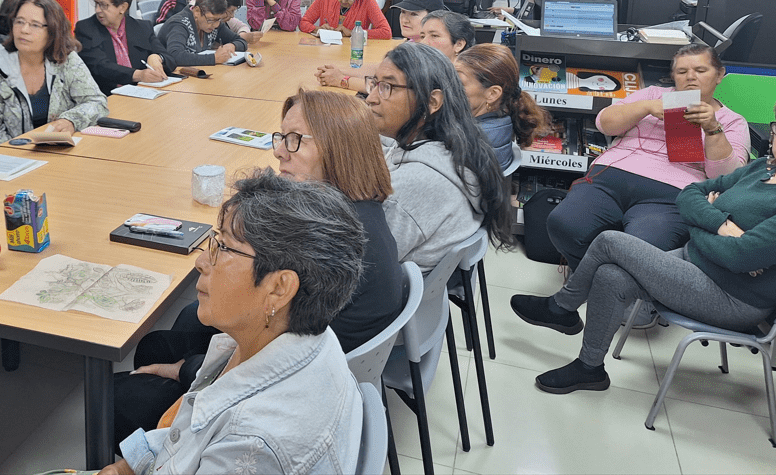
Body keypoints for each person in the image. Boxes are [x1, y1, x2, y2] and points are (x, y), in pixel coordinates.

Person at [114, 91, 402, 443]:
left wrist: (186, 369)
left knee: (126, 392)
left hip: (287, 381)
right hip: (305, 358)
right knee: (172, 331)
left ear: (338, 148)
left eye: (295, 140)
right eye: (281, 137)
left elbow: (272, 352)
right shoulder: (356, 211)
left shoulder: (334, 241)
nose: (280, 150)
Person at [509, 95, 776, 395]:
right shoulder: (760, 169)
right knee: (610, 276)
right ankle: (590, 369)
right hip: (693, 262)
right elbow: (691, 194)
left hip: (733, 296)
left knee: (610, 241)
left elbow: (739, 256)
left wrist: (700, 226)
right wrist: (720, 225)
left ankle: (561, 306)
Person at [102, 173, 366, 475]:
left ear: (279, 288)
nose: (202, 262)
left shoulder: (251, 443)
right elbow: (191, 438)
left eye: (224, 247)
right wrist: (130, 465)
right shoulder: (295, 334)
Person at [547, 43, 750, 271]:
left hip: (673, 191)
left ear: (719, 74)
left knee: (642, 247)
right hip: (612, 176)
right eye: (682, 72)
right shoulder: (652, 94)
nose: (690, 77)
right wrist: (645, 107)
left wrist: (713, 128)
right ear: (673, 75)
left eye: (700, 71)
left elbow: (727, 177)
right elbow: (605, 123)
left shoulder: (732, 120)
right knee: (563, 224)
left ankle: (586, 288)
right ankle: (594, 281)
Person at [366, 42, 512, 272]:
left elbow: (361, 266)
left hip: (386, 297)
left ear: (433, 102)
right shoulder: (455, 143)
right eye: (374, 84)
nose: (371, 98)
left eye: (387, 87)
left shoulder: (415, 187)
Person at [0, 0, 107, 150]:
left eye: (35, 25)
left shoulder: (66, 59)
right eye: (19, 22)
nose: (24, 30)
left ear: (53, 31)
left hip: (61, 154)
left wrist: (70, 121)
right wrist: (26, 156)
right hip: (13, 160)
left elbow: (97, 102)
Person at [314, 0, 445, 92]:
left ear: (434, 17)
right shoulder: (412, 43)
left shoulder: (427, 52)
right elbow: (381, 69)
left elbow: (385, 88)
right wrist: (337, 69)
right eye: (403, 12)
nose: (404, 19)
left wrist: (341, 80)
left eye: (414, 14)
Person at [454, 43, 551, 173]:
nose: (449, 87)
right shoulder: (501, 122)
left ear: (492, 94)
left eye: (459, 83)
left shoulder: (468, 141)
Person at [75, 0, 175, 95]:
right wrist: (139, 75)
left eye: (103, 5)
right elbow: (100, 67)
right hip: (107, 98)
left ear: (122, 7)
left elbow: (170, 59)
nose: (97, 10)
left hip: (142, 96)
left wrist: (157, 57)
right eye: (96, 3)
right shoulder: (86, 29)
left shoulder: (142, 28)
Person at [159, 0, 248, 67]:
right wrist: (214, 58)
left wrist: (232, 45)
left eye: (218, 20)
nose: (216, 25)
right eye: (210, 20)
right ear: (197, 11)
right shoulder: (179, 24)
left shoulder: (213, 23)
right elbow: (175, 55)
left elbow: (241, 41)